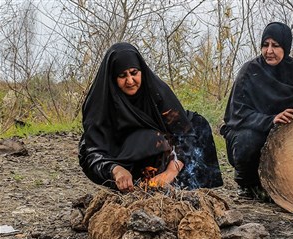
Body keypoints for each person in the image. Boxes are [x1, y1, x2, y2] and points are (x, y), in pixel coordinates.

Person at [78, 42, 223, 192]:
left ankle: (175, 185)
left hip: (160, 148)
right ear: (112, 79)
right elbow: (92, 152)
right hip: (120, 156)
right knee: (150, 139)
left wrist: (172, 170)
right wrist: (116, 170)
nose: (130, 81)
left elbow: (184, 133)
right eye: (122, 76)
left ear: (141, 71)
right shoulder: (99, 103)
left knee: (198, 125)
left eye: (134, 73)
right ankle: (134, 184)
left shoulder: (156, 92)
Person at [220, 22, 293, 201]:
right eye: (265, 45)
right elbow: (237, 114)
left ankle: (292, 185)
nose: (269, 51)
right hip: (254, 130)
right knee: (247, 141)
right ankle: (248, 185)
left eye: (275, 45)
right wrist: (272, 119)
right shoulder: (250, 71)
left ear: (286, 47)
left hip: (289, 133)